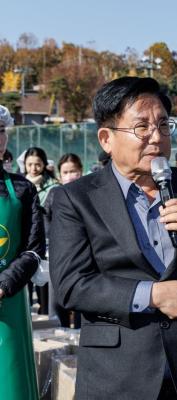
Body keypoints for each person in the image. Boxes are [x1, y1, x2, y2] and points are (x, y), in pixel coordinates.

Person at [49, 77, 177, 400]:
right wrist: (153, 295)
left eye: (162, 125)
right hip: (117, 377)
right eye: (141, 127)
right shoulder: (75, 199)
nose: (156, 138)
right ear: (106, 138)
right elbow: (71, 285)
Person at [0, 104, 46, 400]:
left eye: (1, 131)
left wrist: (5, 284)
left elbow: (33, 250)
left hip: (9, 306)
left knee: (11, 385)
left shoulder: (22, 189)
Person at [43, 153, 84, 328]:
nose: (69, 175)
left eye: (73, 171)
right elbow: (45, 218)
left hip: (84, 256)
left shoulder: (87, 192)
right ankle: (60, 335)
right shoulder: (55, 193)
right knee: (57, 300)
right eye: (65, 172)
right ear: (59, 175)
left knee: (84, 297)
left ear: (80, 171)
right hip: (58, 255)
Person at [24, 146, 58, 315]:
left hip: (46, 239)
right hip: (24, 239)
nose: (33, 168)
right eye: (29, 164)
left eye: (37, 164)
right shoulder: (20, 185)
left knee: (44, 278)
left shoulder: (53, 187)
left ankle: (46, 311)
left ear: (44, 164)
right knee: (25, 277)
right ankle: (27, 307)